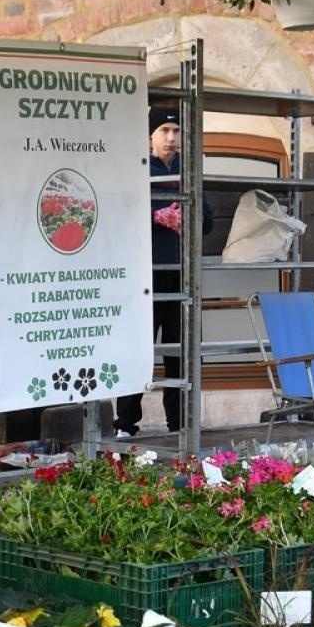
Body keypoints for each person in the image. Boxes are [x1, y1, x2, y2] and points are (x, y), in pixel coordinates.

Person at [114, 106, 209, 438]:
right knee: (138, 350)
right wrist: (156, 216)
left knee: (179, 352)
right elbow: (121, 216)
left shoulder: (190, 170)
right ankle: (125, 424)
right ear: (150, 136)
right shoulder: (138, 169)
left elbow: (208, 220)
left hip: (182, 278)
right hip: (145, 276)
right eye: (164, 131)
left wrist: (189, 216)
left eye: (176, 131)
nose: (171, 138)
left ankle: (179, 424)